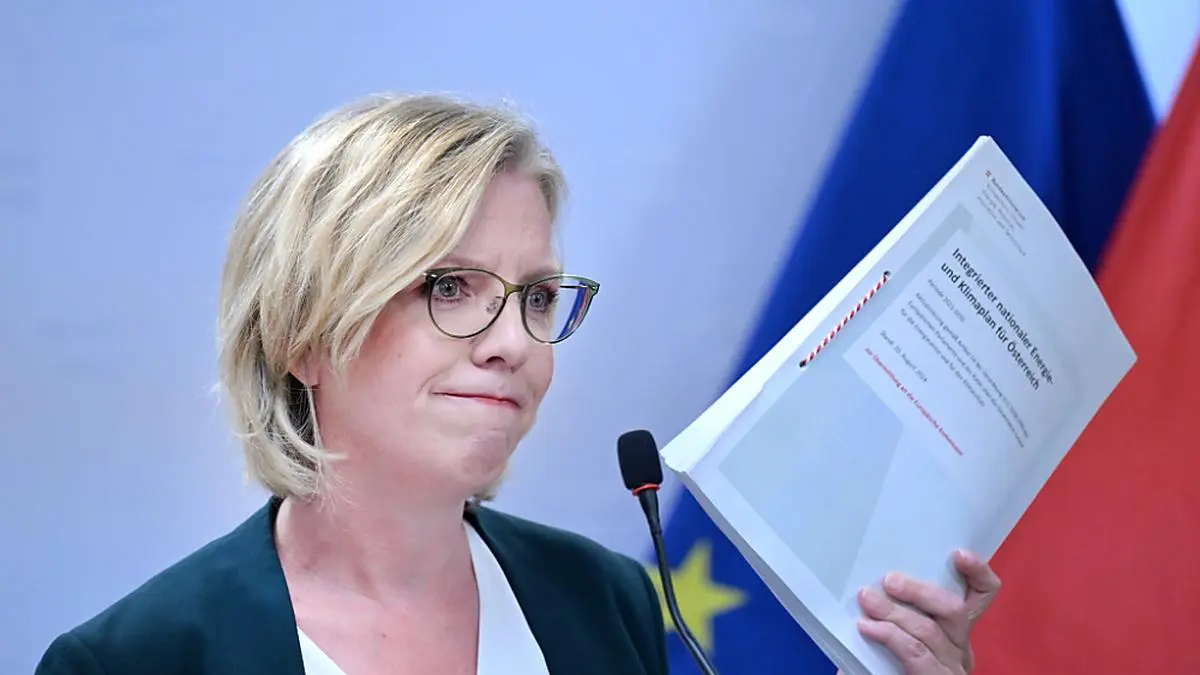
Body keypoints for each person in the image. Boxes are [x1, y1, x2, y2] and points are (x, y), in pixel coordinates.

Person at [34, 92, 1001, 675]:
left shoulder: (607, 597)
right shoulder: (134, 659)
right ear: (302, 331)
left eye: (537, 296)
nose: (514, 343)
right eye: (450, 287)